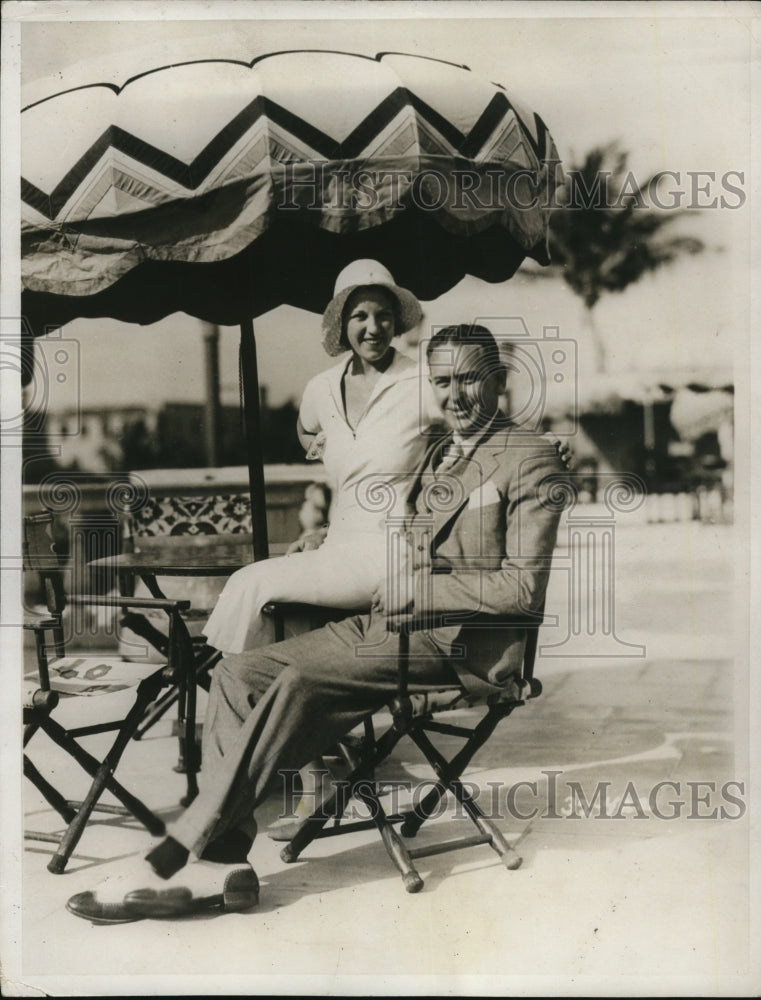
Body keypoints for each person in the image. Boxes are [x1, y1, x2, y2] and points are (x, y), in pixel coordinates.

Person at [66, 323, 569, 924]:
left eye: (469, 378)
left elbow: (523, 589)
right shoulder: (441, 452)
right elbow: (389, 515)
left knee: (298, 681)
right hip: (391, 626)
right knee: (238, 673)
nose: (455, 395)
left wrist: (423, 590)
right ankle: (227, 864)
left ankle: (176, 856)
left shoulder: (530, 456)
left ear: (499, 380)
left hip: (458, 645)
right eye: (441, 381)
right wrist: (327, 538)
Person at [202, 259, 443, 656]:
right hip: (336, 548)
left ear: (397, 321)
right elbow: (307, 431)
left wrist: (545, 444)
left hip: (393, 556)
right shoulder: (322, 388)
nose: (373, 328)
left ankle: (239, 690)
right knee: (261, 598)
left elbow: (477, 426)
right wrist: (323, 526)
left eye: (384, 316)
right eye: (360, 316)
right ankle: (264, 692)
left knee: (251, 584)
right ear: (341, 323)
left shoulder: (420, 383)